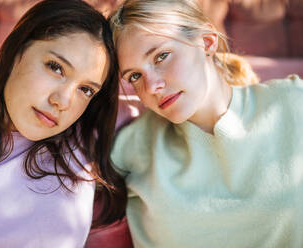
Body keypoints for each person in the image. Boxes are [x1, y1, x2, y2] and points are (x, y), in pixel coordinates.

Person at [0, 0, 126, 247]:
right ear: (15, 53)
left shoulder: (82, 142)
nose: (63, 101)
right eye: (55, 67)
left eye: (86, 89)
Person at [109, 0, 303, 247]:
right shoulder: (131, 142)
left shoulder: (292, 104)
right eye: (134, 76)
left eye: (161, 56)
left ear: (207, 42)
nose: (151, 87)